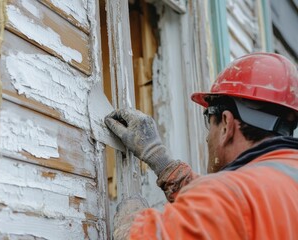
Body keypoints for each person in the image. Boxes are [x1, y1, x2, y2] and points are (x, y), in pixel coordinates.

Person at [104, 52, 298, 239]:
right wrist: (158, 157)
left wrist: (130, 223)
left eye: (209, 121)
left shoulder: (230, 200)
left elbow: (224, 205)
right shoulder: (284, 183)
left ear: (226, 124)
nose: (207, 138)